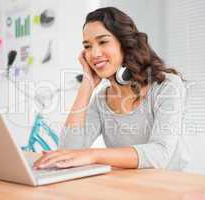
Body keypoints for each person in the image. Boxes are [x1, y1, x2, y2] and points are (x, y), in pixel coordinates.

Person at [33, 7, 190, 170]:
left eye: (103, 42)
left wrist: (93, 155)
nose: (94, 53)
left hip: (171, 186)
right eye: (87, 46)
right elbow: (68, 151)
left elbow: (160, 154)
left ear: (125, 44)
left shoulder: (167, 86)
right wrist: (86, 85)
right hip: (127, 187)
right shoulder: (101, 99)